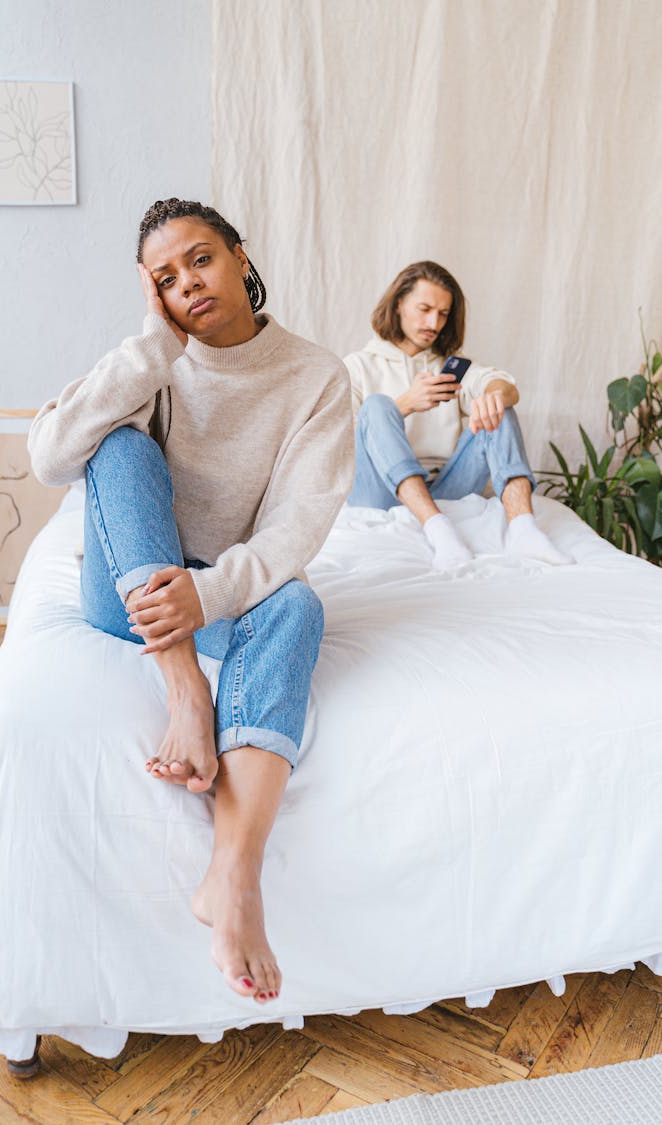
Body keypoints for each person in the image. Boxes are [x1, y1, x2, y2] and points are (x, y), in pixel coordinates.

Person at [29, 197, 354, 1007]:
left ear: (241, 256)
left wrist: (209, 591)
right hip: (130, 588)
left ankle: (232, 877)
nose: (190, 284)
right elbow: (49, 457)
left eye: (201, 260)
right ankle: (185, 692)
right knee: (120, 444)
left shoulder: (315, 375)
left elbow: (298, 525)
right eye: (166, 278)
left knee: (300, 608)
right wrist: (151, 348)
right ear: (154, 294)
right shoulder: (154, 359)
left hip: (215, 586)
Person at [343, 260, 572, 568]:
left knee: (496, 404)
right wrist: (406, 403)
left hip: (445, 488)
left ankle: (524, 530)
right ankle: (438, 529)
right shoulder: (357, 366)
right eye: (424, 309)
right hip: (377, 491)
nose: (434, 323)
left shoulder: (450, 366)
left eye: (443, 314)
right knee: (377, 406)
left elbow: (504, 385)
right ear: (399, 305)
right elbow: (342, 441)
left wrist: (495, 395)